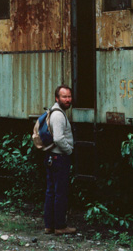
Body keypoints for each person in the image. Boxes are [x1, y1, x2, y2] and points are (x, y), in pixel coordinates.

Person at [43, 85, 76, 235]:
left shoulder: (55, 112)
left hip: (52, 157)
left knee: (51, 192)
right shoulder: (58, 115)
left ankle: (49, 225)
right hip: (59, 158)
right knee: (60, 192)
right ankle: (60, 226)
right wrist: (69, 150)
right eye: (64, 97)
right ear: (57, 98)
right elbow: (58, 138)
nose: (68, 99)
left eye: (69, 96)